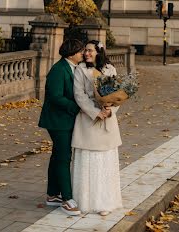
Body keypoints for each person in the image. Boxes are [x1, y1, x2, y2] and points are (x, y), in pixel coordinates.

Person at [71, 40, 123, 216]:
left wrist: (110, 110)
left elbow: (117, 93)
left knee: (105, 160)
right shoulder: (80, 69)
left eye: (90, 50)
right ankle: (86, 200)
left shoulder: (110, 69)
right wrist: (95, 112)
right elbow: (79, 95)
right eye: (85, 50)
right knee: (89, 159)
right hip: (88, 120)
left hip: (107, 120)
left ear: (99, 52)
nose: (86, 53)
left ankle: (105, 201)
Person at [38, 37, 84, 216]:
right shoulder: (58, 70)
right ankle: (67, 199)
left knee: (58, 155)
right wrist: (77, 108)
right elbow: (56, 96)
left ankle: (52, 195)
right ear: (72, 53)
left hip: (65, 119)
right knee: (64, 157)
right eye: (80, 51)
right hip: (58, 121)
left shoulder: (73, 67)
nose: (83, 54)